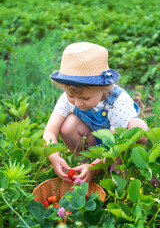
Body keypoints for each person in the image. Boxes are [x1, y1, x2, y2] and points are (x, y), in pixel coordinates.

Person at [43, 42, 148, 183]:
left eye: (85, 98)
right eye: (72, 96)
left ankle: (118, 169)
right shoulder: (67, 98)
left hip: (117, 147)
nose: (78, 103)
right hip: (93, 142)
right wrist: (54, 156)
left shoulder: (118, 101)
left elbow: (117, 144)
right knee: (68, 125)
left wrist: (95, 167)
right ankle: (84, 162)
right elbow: (50, 132)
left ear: (104, 87)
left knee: (138, 127)